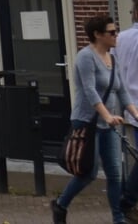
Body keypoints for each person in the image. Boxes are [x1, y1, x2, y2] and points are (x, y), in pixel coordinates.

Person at [54, 13, 136, 223]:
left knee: (115, 174)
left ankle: (118, 218)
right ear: (98, 35)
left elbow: (121, 91)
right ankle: (61, 204)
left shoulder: (113, 58)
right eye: (111, 32)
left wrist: (135, 113)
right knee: (88, 173)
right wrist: (107, 115)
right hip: (86, 123)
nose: (116, 35)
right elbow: (90, 91)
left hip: (108, 126)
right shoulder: (85, 57)